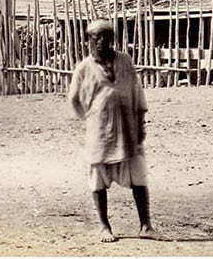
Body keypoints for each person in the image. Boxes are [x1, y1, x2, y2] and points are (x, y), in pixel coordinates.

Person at [67, 19, 156, 242]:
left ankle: (146, 225)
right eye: (96, 38)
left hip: (128, 128)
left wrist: (141, 122)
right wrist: (91, 116)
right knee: (97, 177)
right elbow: (75, 99)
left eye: (106, 38)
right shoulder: (84, 68)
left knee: (138, 174)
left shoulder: (125, 61)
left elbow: (137, 93)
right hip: (99, 132)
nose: (102, 42)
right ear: (89, 41)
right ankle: (104, 227)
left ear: (112, 40)